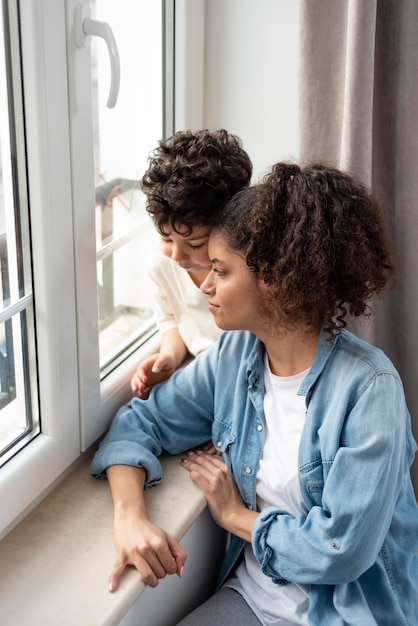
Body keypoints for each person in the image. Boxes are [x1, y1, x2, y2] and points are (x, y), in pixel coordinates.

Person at [91, 162, 418, 625]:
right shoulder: (235, 355)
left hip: (349, 613)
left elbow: (340, 551)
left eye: (221, 271)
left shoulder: (370, 390)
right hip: (254, 599)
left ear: (277, 278)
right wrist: (131, 517)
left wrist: (234, 516)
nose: (205, 284)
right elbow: (139, 422)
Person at [131, 129, 253, 398]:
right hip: (202, 376)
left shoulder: (247, 273)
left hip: (244, 384)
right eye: (166, 238)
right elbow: (171, 318)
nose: (176, 256)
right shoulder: (161, 265)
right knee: (138, 418)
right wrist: (169, 358)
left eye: (195, 245)